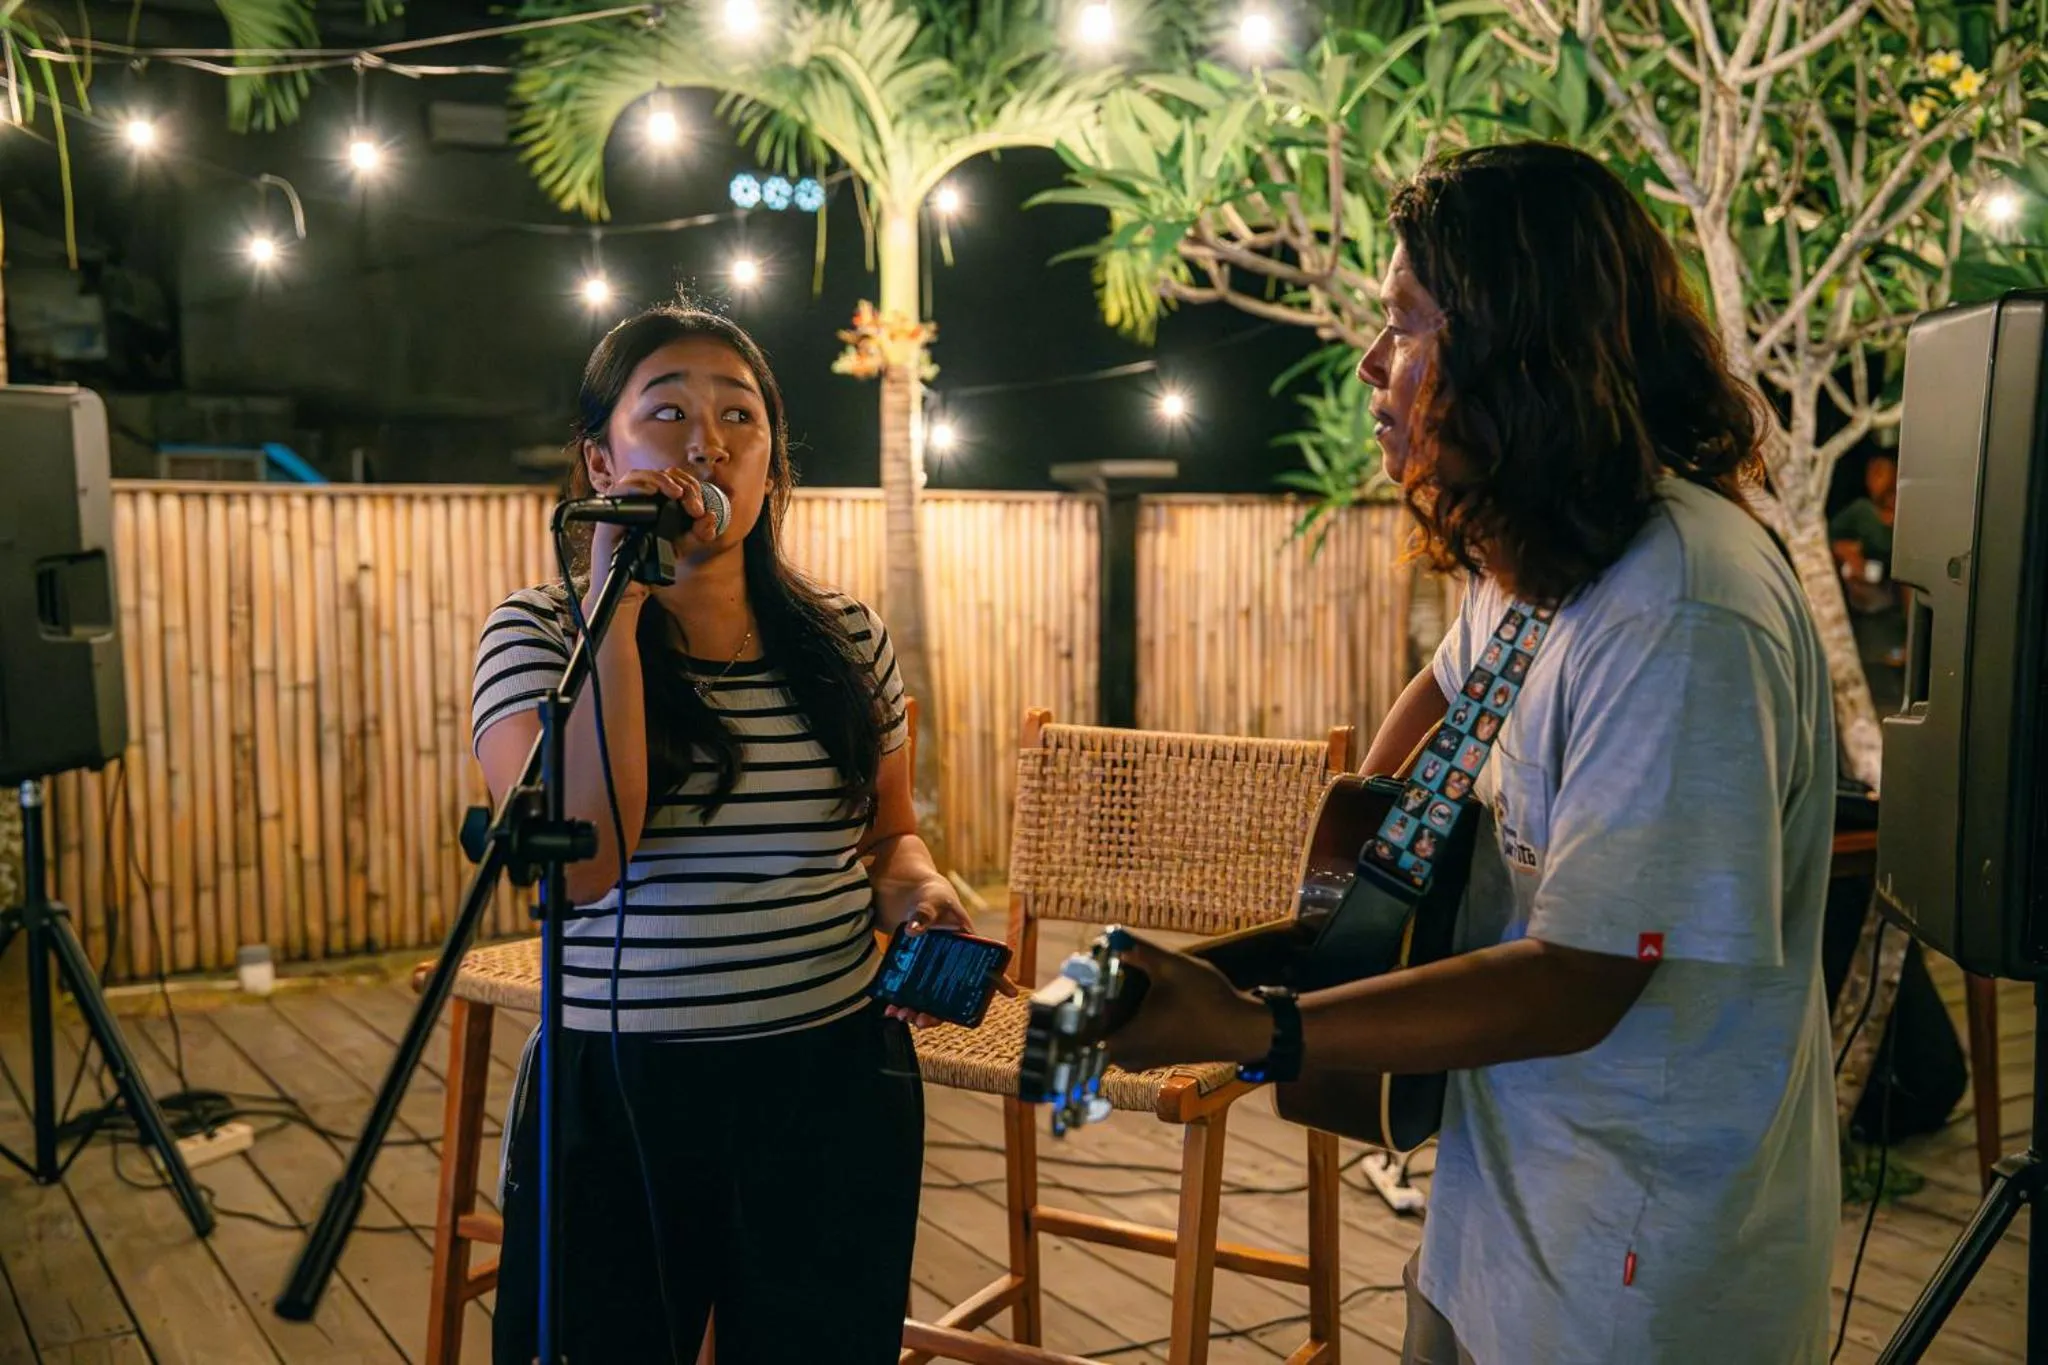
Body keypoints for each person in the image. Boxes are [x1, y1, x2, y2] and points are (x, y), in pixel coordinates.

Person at [1102, 144, 1839, 1364]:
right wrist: (1351, 880)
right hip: (1498, 1192)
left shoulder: (1679, 607)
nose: (1369, 362)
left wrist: (1259, 1026)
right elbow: (1447, 690)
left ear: (1519, 347)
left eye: (1403, 323)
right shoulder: (1552, 550)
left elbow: (1580, 980)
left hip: (1638, 1256)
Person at [471, 304, 1000, 1363]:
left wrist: (921, 889)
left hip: (833, 1083)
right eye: (667, 413)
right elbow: (585, 862)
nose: (707, 442)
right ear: (599, 459)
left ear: (771, 463)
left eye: (739, 417)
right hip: (620, 1090)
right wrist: (616, 605)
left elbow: (888, 838)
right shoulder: (539, 633)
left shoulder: (845, 638)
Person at [1829, 449, 1907, 710]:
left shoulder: (1906, 514)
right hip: (1866, 607)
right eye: (1871, 473)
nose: (1874, 479)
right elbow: (1831, 540)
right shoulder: (1861, 512)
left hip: (1897, 607)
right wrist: (1849, 555)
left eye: (1881, 472)